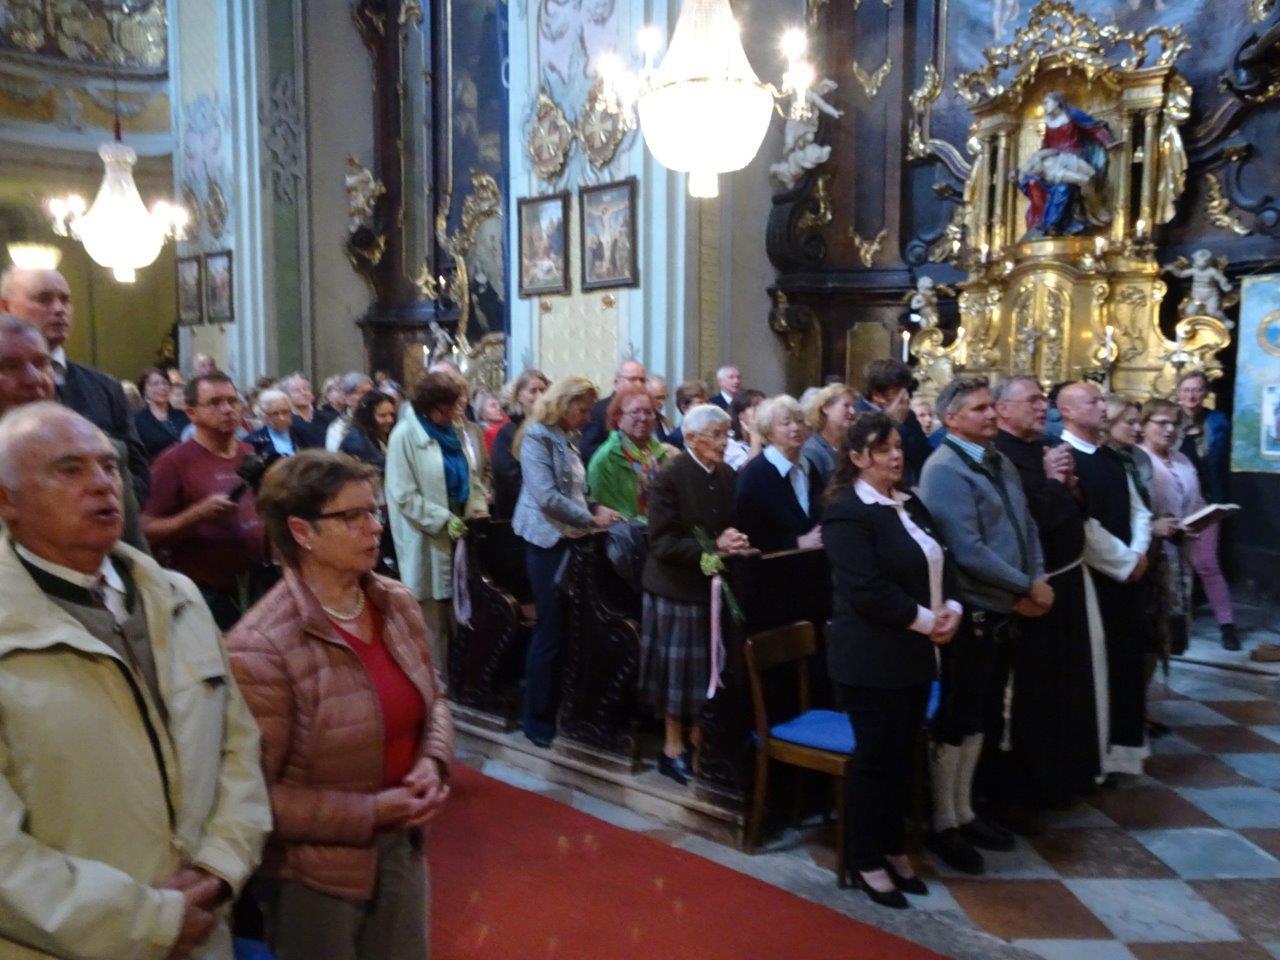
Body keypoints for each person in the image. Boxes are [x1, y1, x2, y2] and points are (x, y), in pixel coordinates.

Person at [0, 402, 269, 960]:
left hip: (203, 928)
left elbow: (238, 749)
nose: (102, 484)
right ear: (7, 501)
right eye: (69, 469)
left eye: (108, 466)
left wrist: (219, 869)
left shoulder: (178, 597)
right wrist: (151, 920)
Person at [227, 451, 452, 960]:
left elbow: (434, 696)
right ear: (302, 532)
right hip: (314, 874)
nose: (375, 527)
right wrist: (371, 812)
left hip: (403, 843)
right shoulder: (261, 647)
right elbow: (254, 797)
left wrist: (432, 760)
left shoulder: (395, 602)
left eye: (375, 511)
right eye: (353, 516)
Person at [822, 412, 961, 908]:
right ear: (858, 457)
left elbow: (943, 558)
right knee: (876, 759)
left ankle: (893, 846)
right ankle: (865, 858)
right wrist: (928, 621)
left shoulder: (909, 502)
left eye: (898, 446)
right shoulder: (846, 511)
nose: (896, 456)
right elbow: (865, 590)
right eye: (883, 450)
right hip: (872, 658)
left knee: (903, 756)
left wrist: (953, 608)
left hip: (916, 653)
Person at [918, 377, 1051, 875]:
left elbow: (1026, 524)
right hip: (975, 609)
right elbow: (967, 549)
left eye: (991, 407)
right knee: (959, 715)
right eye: (978, 409)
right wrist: (1025, 584)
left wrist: (1037, 577)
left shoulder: (997, 460)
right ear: (951, 418)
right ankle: (943, 821)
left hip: (1007, 605)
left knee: (984, 715)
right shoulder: (944, 469)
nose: (991, 415)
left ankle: (966, 811)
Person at [994, 375, 1107, 804]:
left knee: (1069, 686)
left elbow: (1075, 512)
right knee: (1037, 691)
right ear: (1004, 410)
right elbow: (1029, 522)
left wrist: (1072, 485)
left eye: (1044, 400)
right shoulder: (1001, 456)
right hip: (1034, 588)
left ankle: (1069, 774)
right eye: (1033, 400)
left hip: (1067, 579)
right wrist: (1055, 484)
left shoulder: (1045, 446)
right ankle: (1033, 786)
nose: (1043, 407)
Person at [641, 404, 752, 784]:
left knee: (707, 672)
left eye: (726, 434)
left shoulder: (726, 475)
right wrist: (713, 549)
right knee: (678, 676)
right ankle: (672, 748)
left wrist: (734, 541)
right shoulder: (669, 477)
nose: (725, 442)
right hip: (675, 588)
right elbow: (662, 542)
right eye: (716, 435)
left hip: (712, 585)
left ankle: (699, 740)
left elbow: (727, 525)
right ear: (691, 438)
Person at [512, 376, 624, 746]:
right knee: (550, 629)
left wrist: (594, 508)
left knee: (567, 629)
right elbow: (546, 496)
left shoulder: (566, 436)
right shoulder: (537, 436)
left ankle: (564, 709)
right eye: (583, 408)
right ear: (564, 402)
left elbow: (572, 491)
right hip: (546, 543)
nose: (588, 416)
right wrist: (590, 519)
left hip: (570, 538)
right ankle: (535, 719)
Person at [1057, 381, 1153, 776]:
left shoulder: (1112, 457)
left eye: (1102, 400)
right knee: (1098, 670)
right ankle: (1095, 756)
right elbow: (1080, 523)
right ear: (1067, 411)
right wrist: (1124, 562)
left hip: (1129, 574)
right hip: (1093, 576)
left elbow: (1139, 510)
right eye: (1092, 401)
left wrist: (1139, 553)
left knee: (1127, 666)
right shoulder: (1063, 457)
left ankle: (1123, 754)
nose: (1101, 407)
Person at [0, 265, 149, 504]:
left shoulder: (104, 388)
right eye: (44, 299)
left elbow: (138, 474)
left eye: (65, 300)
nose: (59, 309)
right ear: (5, 307)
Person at [142, 372, 268, 629]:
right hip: (204, 595)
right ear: (192, 413)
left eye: (233, 401)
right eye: (215, 403)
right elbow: (144, 529)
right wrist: (196, 515)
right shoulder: (173, 462)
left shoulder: (249, 453)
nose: (227, 409)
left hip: (255, 586)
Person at [385, 372, 488, 668]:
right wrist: (443, 519)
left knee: (460, 610)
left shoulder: (453, 432)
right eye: (446, 409)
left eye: (456, 407)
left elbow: (472, 477)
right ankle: (435, 680)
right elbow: (403, 494)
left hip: (461, 531)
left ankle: (461, 678)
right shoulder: (404, 436)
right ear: (428, 407)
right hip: (426, 535)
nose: (453, 414)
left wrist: (476, 506)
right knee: (432, 618)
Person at [1140, 399, 1214, 653]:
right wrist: (1153, 526)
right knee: (1152, 628)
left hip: (1182, 552)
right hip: (1152, 554)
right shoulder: (1138, 459)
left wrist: (1204, 517)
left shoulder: (1182, 459)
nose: (1170, 429)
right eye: (1162, 423)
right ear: (1144, 424)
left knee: (1174, 630)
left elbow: (1196, 499)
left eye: (1174, 424)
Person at [1174, 371, 1237, 649]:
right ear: (1178, 393)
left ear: (1205, 393)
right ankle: (1175, 624)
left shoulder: (1217, 422)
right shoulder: (1168, 422)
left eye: (1197, 389)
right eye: (1186, 389)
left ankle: (1227, 626)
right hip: (1172, 501)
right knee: (1173, 565)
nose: (1191, 395)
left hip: (1206, 502)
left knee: (1207, 565)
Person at [735, 394, 824, 553]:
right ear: (768, 432)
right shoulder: (755, 474)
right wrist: (795, 542)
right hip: (774, 562)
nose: (796, 428)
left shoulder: (809, 466)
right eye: (786, 423)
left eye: (799, 421)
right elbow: (749, 532)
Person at [587, 383, 671, 521]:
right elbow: (609, 512)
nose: (643, 418)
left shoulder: (660, 453)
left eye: (648, 412)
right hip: (627, 531)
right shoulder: (605, 458)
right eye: (635, 412)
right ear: (618, 418)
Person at [856, 359, 932, 485]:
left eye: (905, 389)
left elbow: (922, 454)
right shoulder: (857, 415)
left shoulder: (908, 415)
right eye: (896, 391)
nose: (904, 396)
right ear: (877, 395)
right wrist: (895, 423)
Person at [491, 369, 549, 520]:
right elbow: (509, 480)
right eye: (533, 391)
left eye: (543, 391)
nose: (539, 396)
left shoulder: (551, 431)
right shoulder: (508, 434)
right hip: (516, 516)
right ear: (519, 396)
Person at [579, 359, 647, 467]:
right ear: (616, 383)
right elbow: (587, 450)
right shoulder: (599, 410)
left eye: (642, 380)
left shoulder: (646, 411)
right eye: (633, 379)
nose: (639, 384)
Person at [802, 382, 856, 486]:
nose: (852, 411)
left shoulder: (851, 444)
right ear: (826, 408)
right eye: (846, 405)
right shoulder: (812, 451)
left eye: (853, 406)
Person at [135, 365, 191, 461]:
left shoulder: (183, 415)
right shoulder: (138, 420)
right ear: (144, 390)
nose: (162, 387)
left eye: (165, 383)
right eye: (155, 384)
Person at [248, 387, 316, 456]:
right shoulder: (255, 440)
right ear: (264, 416)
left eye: (285, 412)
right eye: (275, 414)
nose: (282, 418)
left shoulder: (303, 433)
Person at [324, 372, 374, 452]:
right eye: (363, 392)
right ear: (347, 397)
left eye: (371, 392)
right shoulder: (338, 428)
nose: (370, 397)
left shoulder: (380, 419)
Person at [279, 372, 330, 448]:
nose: (303, 393)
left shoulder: (326, 416)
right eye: (297, 391)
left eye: (306, 389)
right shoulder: (285, 420)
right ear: (286, 395)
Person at [725, 388, 766, 470]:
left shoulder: (767, 439)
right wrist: (755, 436)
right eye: (756, 406)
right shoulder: (729, 442)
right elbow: (751, 470)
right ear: (740, 414)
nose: (763, 412)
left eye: (764, 407)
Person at [667, 380, 710, 449]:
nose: (706, 407)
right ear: (684, 407)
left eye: (707, 402)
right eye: (700, 403)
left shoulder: (711, 432)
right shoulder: (676, 438)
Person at [474, 387, 510, 452]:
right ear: (483, 415)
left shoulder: (506, 422)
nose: (499, 408)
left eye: (499, 405)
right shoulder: (490, 433)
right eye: (493, 406)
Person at [648, 375, 674, 443]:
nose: (663, 402)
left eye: (664, 397)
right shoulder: (638, 425)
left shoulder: (667, 424)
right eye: (658, 398)